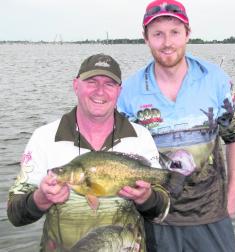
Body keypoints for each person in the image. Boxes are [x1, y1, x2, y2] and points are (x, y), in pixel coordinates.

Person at [7, 53, 174, 252]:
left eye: (109, 84)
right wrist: (40, 199)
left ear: (119, 91)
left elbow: (161, 210)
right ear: (76, 85)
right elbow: (15, 216)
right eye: (92, 81)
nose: (100, 91)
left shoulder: (140, 136)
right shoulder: (44, 137)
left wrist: (145, 198)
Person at [117, 0, 235, 251]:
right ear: (146, 38)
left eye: (175, 32)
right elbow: (124, 157)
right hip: (156, 214)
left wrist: (234, 189)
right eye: (158, 34)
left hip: (212, 211)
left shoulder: (215, 79)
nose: (167, 42)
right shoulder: (129, 92)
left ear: (188, 34)